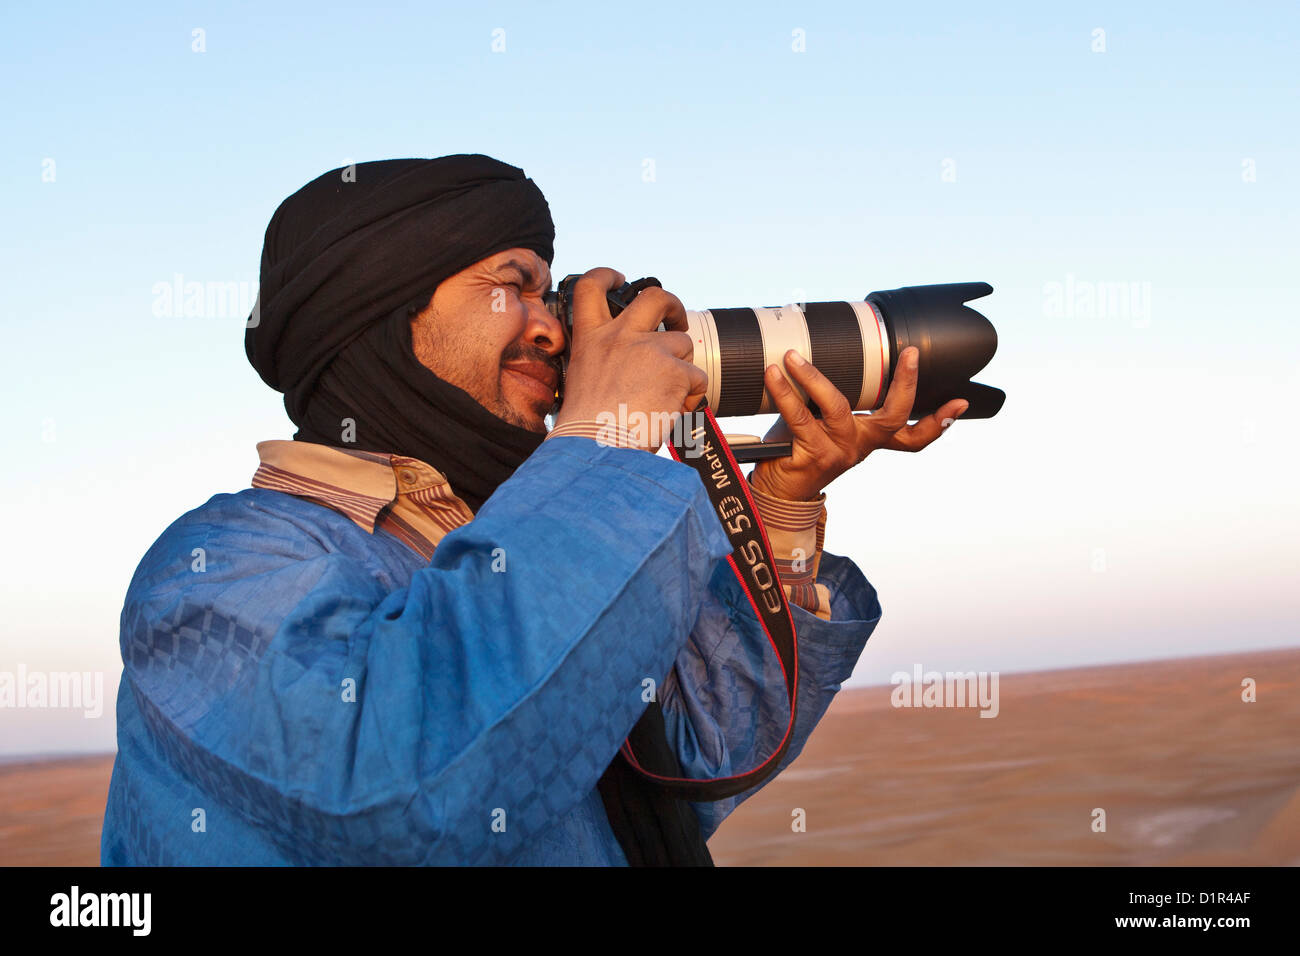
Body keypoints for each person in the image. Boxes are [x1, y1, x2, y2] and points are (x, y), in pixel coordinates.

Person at [100, 154, 969, 866]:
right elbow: (406, 789)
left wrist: (781, 498)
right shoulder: (216, 570)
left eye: (550, 297)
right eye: (510, 286)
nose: (555, 332)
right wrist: (602, 439)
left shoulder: (513, 538)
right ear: (382, 308)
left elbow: (698, 756)